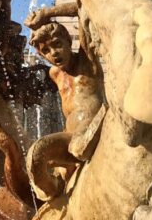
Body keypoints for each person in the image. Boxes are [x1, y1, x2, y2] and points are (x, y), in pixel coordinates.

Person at [29, 21, 103, 160]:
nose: (54, 53)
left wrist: (46, 14)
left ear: (68, 41)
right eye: (46, 51)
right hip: (70, 133)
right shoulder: (54, 74)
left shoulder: (86, 59)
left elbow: (84, 12)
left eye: (57, 44)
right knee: (35, 155)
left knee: (77, 149)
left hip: (92, 125)